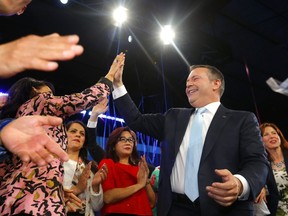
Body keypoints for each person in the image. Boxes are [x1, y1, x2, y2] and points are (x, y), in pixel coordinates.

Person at [112, 63, 269, 216]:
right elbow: (136, 120)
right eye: (187, 81)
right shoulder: (173, 117)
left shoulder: (242, 120)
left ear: (216, 83)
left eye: (195, 79)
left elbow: (257, 162)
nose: (188, 84)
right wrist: (118, 84)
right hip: (174, 208)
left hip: (224, 210)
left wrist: (240, 183)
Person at [0, 52, 125, 215]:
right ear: (34, 90)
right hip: (35, 204)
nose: (53, 98)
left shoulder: (19, 118)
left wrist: (56, 190)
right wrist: (110, 76)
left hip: (14, 197)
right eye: (49, 94)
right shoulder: (40, 102)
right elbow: (82, 99)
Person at [98, 126, 156, 216]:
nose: (127, 142)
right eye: (122, 139)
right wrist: (139, 185)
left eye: (130, 140)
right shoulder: (108, 164)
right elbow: (108, 197)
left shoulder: (139, 168)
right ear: (113, 145)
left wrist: (146, 180)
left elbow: (152, 203)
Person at [64, 120, 108, 215]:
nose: (78, 135)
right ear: (63, 135)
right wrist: (78, 188)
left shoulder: (90, 167)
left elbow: (97, 206)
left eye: (82, 134)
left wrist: (95, 186)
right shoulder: (51, 162)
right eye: (73, 131)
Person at [255, 123, 288, 215]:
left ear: (279, 136)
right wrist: (260, 187)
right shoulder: (262, 165)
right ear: (260, 141)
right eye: (266, 134)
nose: (272, 136)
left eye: (274, 133)